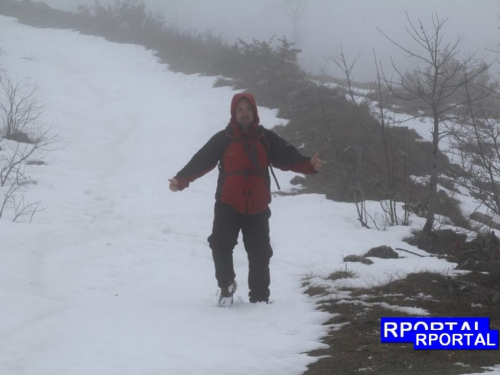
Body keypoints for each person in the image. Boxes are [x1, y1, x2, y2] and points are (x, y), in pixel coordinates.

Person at [169, 92, 322, 306]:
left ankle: (260, 298)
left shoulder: (265, 139)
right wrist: (181, 180)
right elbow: (201, 161)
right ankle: (227, 285)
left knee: (260, 253)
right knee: (220, 245)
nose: (244, 114)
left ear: (254, 112)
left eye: (248, 110)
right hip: (228, 205)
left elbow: (287, 157)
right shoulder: (224, 139)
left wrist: (308, 165)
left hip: (258, 207)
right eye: (240, 110)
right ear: (234, 113)